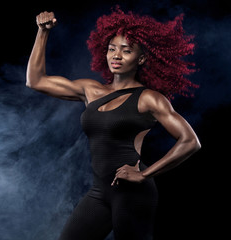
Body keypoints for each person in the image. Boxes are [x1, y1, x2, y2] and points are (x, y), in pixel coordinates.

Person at [26, 7, 201, 240]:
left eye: (126, 51)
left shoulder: (149, 98)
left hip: (133, 194)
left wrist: (144, 174)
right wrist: (42, 32)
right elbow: (35, 81)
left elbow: (191, 141)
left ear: (141, 59)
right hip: (99, 192)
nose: (116, 56)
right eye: (111, 49)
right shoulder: (90, 90)